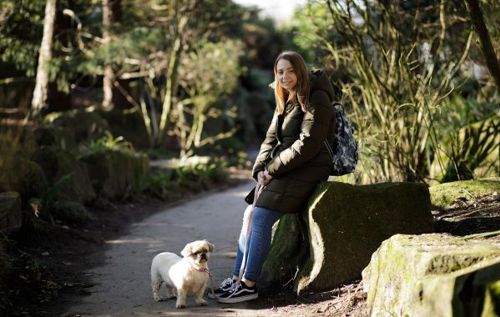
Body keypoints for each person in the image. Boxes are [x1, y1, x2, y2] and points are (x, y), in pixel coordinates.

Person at [215, 51, 336, 304]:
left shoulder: (316, 96)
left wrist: (273, 170)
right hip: (287, 167)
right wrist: (260, 168)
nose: (284, 76)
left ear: (300, 71)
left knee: (259, 216)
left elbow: (308, 144)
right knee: (250, 213)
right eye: (280, 71)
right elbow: (271, 138)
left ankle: (249, 284)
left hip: (310, 166)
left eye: (290, 71)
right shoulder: (285, 97)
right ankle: (237, 278)